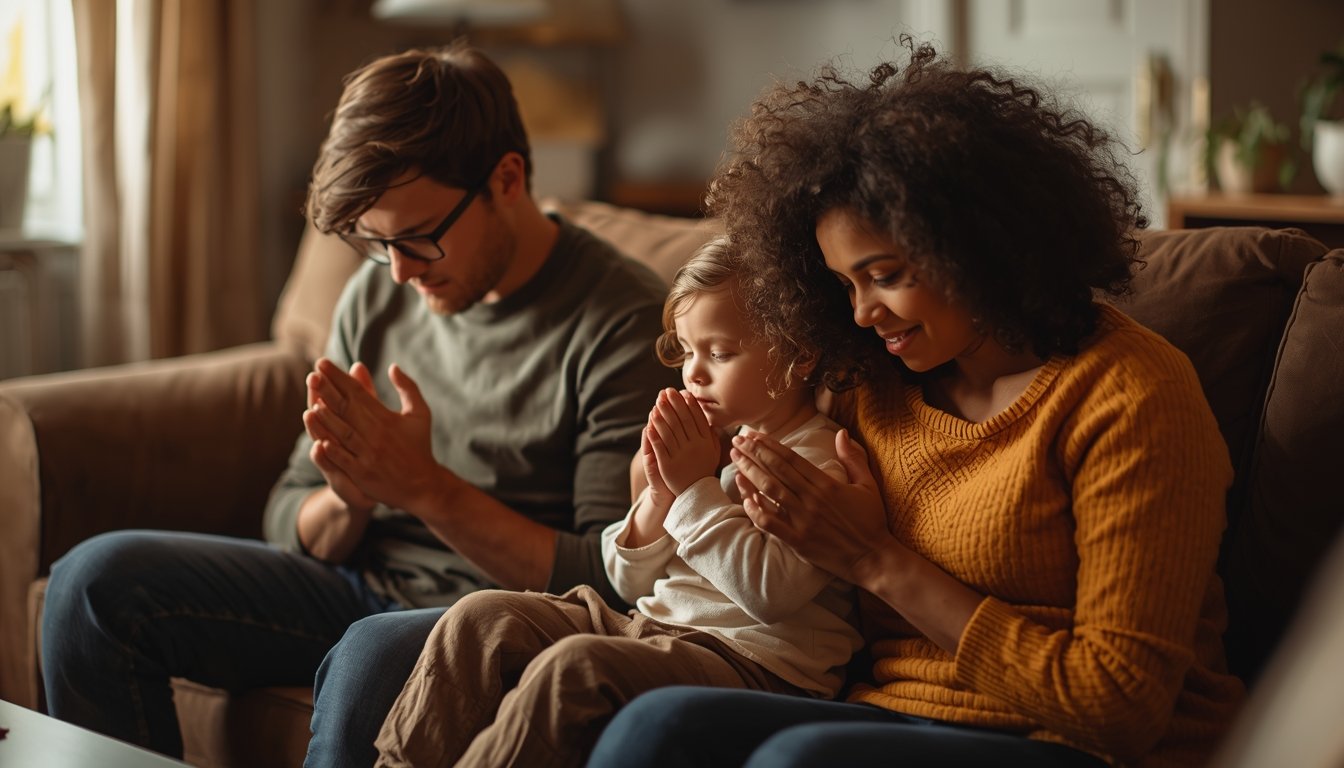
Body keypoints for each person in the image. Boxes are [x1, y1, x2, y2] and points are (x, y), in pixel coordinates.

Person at [589, 38, 1246, 768]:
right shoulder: (871, 381)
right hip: (883, 711)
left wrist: (876, 558)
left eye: (886, 275)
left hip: (1074, 741)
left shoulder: (1131, 397)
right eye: (844, 285)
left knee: (798, 761)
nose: (864, 313)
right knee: (655, 727)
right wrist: (662, 493)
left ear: (979, 245)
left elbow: (1120, 706)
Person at [40, 43, 676, 767]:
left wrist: (424, 488)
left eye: (419, 238)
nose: (401, 272)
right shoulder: (379, 291)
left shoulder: (623, 321)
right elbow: (289, 512)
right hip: (354, 582)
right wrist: (350, 500)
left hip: (493, 616)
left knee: (373, 652)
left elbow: (611, 580)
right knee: (93, 583)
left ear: (508, 179)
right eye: (377, 244)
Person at [372, 238, 862, 768]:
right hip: (652, 626)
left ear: (799, 353)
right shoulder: (710, 445)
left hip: (756, 664)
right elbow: (628, 583)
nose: (693, 373)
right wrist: (658, 495)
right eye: (687, 351)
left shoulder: (816, 461)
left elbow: (768, 593)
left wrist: (694, 489)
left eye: (719, 353)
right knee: (480, 617)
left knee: (575, 667)